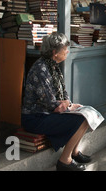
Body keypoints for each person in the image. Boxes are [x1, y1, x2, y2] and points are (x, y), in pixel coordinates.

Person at [21, 32, 92, 171]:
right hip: (35, 117)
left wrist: (70, 105)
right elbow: (51, 103)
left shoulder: (52, 66)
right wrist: (69, 108)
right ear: (55, 52)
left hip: (47, 112)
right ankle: (64, 161)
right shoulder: (41, 69)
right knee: (81, 120)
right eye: (65, 49)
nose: (67, 51)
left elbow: (63, 95)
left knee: (86, 114)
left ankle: (74, 152)